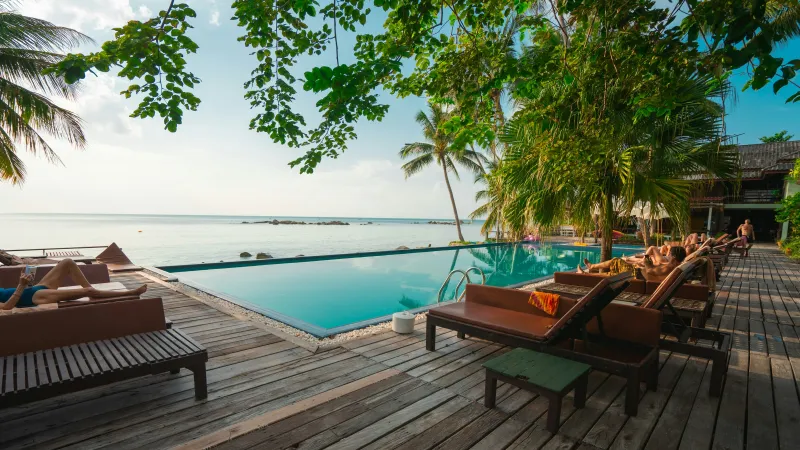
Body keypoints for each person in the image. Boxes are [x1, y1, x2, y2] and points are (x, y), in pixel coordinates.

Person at [0, 259, 147, 310]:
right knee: (88, 292)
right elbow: (7, 306)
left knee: (67, 262)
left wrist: (25, 282)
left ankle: (92, 289)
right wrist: (21, 286)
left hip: (35, 288)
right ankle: (131, 293)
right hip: (35, 297)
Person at [579, 246, 687, 282]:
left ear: (673, 257)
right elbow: (654, 271)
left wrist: (647, 263)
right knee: (613, 273)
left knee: (615, 261)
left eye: (669, 254)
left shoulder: (669, 268)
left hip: (637, 276)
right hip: (638, 273)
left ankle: (591, 268)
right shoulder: (672, 267)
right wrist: (645, 264)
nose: (667, 256)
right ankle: (587, 272)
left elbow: (650, 271)